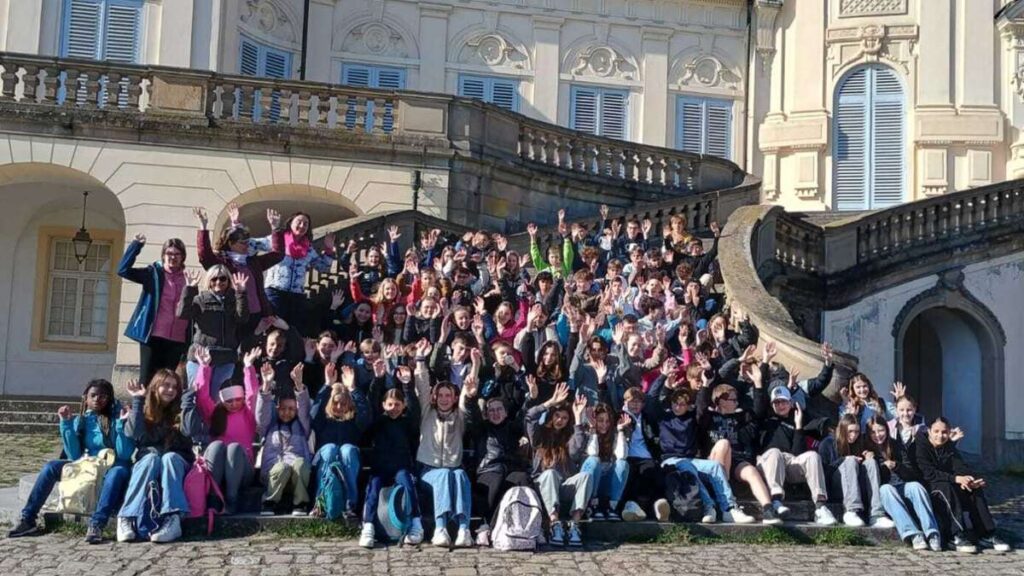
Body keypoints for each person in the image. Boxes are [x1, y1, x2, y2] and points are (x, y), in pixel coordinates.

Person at [8, 379, 133, 544]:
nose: (97, 399)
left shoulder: (120, 416)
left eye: (103, 396)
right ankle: (28, 518)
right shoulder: (81, 420)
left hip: (113, 465)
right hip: (87, 464)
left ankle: (97, 523)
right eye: (93, 395)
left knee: (117, 473)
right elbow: (74, 456)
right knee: (51, 467)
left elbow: (124, 454)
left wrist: (120, 424)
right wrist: (66, 424)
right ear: (85, 399)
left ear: (110, 399)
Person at [118, 370, 194, 543]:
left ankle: (173, 519)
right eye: (166, 385)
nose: (170, 390)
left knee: (169, 458)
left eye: (174, 387)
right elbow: (133, 433)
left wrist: (188, 402)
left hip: (177, 460)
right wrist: (137, 400)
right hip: (148, 461)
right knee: (152, 458)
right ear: (155, 386)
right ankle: (127, 517)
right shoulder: (143, 408)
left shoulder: (181, 408)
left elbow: (189, 431)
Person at [182, 346, 260, 515]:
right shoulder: (216, 413)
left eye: (237, 399)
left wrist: (248, 367)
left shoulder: (247, 414)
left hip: (241, 468)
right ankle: (213, 496)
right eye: (229, 400)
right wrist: (204, 367)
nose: (234, 404)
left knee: (234, 448)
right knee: (216, 445)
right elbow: (202, 396)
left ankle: (231, 499)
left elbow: (253, 394)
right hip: (217, 464)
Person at [233, 207, 336, 335]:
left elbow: (323, 268)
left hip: (296, 295)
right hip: (275, 292)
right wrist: (237, 225)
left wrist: (329, 250)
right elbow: (251, 245)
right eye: (299, 222)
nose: (302, 225)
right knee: (272, 327)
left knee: (292, 330)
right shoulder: (277, 239)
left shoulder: (308, 248)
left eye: (306, 224)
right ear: (291, 223)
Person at [412, 340, 475, 548]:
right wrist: (420, 360)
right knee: (445, 475)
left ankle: (464, 529)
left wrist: (474, 371)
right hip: (428, 470)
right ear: (435, 397)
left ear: (454, 398)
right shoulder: (426, 413)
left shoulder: (459, 416)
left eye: (449, 395)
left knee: (458, 474)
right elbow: (421, 386)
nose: (445, 399)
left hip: (452, 469)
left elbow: (468, 396)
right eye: (441, 395)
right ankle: (441, 528)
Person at [917, 416, 1010, 553]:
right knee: (946, 488)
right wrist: (956, 479)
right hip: (929, 487)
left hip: (948, 482)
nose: (940, 436)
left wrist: (970, 480)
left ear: (949, 433)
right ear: (929, 431)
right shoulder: (920, 446)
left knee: (974, 491)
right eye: (936, 431)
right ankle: (956, 535)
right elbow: (928, 473)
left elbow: (961, 466)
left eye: (944, 432)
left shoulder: (948, 446)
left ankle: (986, 533)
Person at [753, 385, 837, 526]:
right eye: (777, 402)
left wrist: (798, 427)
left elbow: (797, 453)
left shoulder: (796, 421)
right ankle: (776, 501)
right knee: (775, 452)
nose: (780, 406)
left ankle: (820, 506)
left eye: (784, 402)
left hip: (789, 462)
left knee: (812, 456)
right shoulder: (765, 420)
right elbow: (758, 406)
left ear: (791, 403)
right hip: (767, 461)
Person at [359, 366, 424, 548]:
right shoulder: (378, 422)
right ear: (384, 405)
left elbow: (415, 409)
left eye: (397, 404)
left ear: (402, 405)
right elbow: (371, 402)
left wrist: (407, 386)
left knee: (408, 484)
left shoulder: (407, 423)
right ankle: (368, 526)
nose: (393, 408)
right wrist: (378, 379)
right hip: (380, 468)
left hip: (401, 467)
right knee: (372, 489)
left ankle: (416, 524)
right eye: (390, 404)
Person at [194, 206, 284, 335]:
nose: (247, 245)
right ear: (231, 243)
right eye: (242, 243)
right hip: (234, 313)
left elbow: (278, 254)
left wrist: (276, 228)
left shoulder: (252, 262)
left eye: (247, 242)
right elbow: (204, 255)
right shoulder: (222, 261)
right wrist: (203, 227)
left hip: (257, 315)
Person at [118, 234, 190, 385]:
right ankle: (141, 408)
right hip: (153, 336)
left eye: (177, 254)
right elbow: (123, 270)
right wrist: (136, 245)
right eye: (169, 253)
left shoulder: (187, 278)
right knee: (147, 381)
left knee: (167, 382)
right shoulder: (153, 274)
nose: (173, 257)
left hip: (177, 339)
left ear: (183, 257)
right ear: (163, 255)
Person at [526, 383, 591, 547]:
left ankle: (574, 525)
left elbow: (576, 452)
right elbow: (529, 416)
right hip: (543, 485)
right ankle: (554, 524)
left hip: (563, 485)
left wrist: (578, 418)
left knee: (585, 476)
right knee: (550, 473)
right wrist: (550, 402)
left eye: (564, 418)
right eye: (557, 416)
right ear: (551, 417)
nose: (560, 420)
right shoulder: (539, 435)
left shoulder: (569, 436)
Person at [864, 415, 941, 551]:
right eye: (873, 432)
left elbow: (911, 472)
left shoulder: (895, 444)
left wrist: (896, 466)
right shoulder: (866, 449)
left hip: (902, 485)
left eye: (881, 430)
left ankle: (932, 532)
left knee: (916, 486)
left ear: (887, 430)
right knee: (887, 489)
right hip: (883, 489)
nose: (878, 435)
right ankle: (913, 534)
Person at [465, 392, 532, 546]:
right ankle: (485, 525)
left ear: (506, 412)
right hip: (488, 470)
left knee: (523, 478)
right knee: (496, 477)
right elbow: (472, 413)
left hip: (509, 470)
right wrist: (471, 397)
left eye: (499, 409)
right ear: (487, 414)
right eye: (491, 410)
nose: (495, 413)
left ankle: (533, 526)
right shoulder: (481, 429)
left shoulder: (512, 428)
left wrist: (530, 398)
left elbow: (524, 413)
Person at [310, 364, 371, 519]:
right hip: (326, 455)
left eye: (343, 404)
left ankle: (350, 504)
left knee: (347, 450)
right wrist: (327, 386)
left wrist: (353, 389)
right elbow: (313, 415)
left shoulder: (353, 421)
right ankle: (321, 502)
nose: (339, 407)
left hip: (347, 458)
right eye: (335, 403)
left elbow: (365, 416)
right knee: (330, 449)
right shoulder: (323, 420)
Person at [177, 266, 250, 395]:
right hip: (200, 356)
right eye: (214, 279)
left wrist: (241, 293)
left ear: (228, 281)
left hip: (225, 358)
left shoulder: (234, 300)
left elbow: (242, 318)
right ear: (209, 281)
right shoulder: (201, 299)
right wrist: (190, 289)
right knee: (196, 395)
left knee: (217, 398)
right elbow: (182, 313)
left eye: (222, 278)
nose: (218, 282)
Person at [256, 362, 312, 516]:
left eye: (291, 409)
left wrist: (299, 385)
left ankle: (300, 503)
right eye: (283, 409)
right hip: (275, 474)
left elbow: (305, 410)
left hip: (297, 476)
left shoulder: (302, 427)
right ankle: (269, 502)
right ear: (277, 409)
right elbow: (262, 414)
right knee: (282, 467)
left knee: (300, 464)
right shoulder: (268, 426)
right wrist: (266, 385)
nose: (287, 413)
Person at [818, 413, 892, 528]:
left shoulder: (861, 442)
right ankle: (851, 511)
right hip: (836, 487)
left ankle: (877, 514)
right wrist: (843, 460)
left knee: (871, 462)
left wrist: (871, 456)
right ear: (842, 430)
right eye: (850, 431)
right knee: (850, 461)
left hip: (858, 486)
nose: (853, 435)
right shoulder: (827, 443)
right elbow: (823, 473)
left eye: (857, 432)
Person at [579, 403, 629, 521]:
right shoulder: (586, 433)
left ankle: (612, 507)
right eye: (601, 420)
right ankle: (592, 506)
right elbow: (592, 453)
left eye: (607, 421)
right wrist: (593, 431)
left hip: (604, 483)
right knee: (594, 460)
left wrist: (620, 430)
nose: (604, 425)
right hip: (589, 483)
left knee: (623, 464)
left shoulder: (613, 435)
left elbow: (622, 456)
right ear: (594, 419)